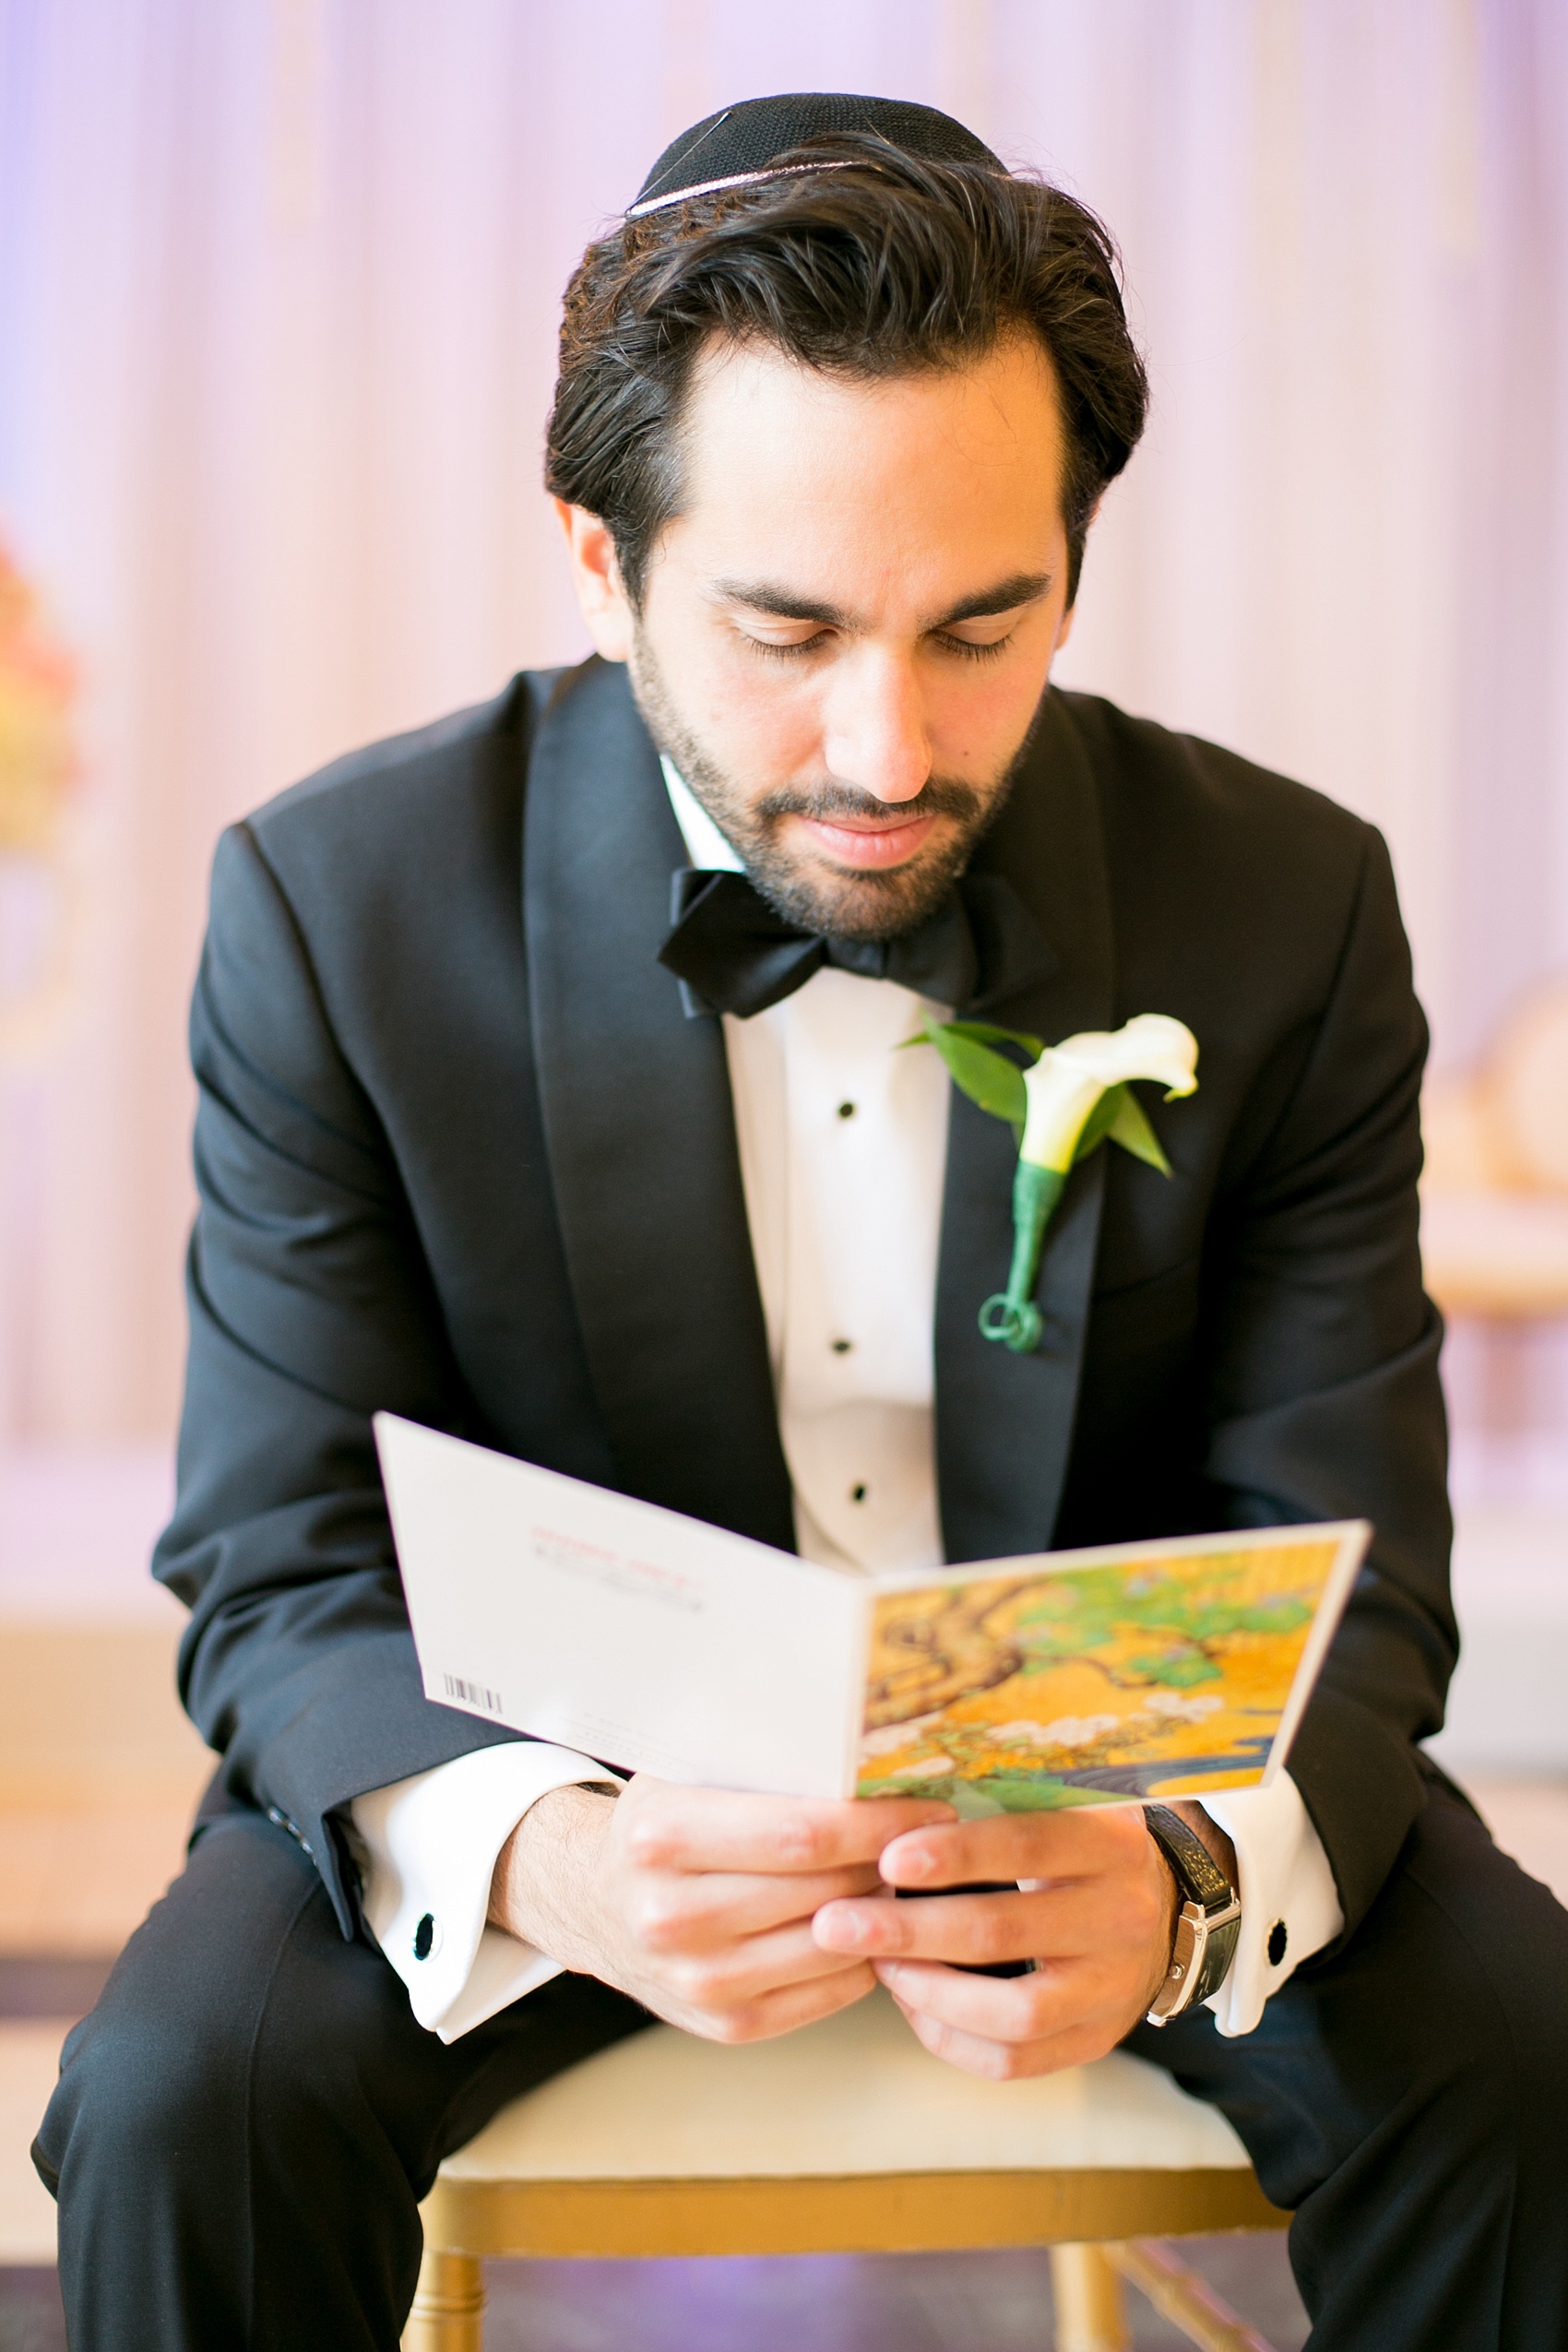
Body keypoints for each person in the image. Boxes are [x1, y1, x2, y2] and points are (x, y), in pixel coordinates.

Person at [34, 91, 1568, 2352]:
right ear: (596, 554)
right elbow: (278, 1554)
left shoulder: (1282, 903)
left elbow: (1348, 1537)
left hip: (1116, 1797)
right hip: (569, 1791)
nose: (887, 749)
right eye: (784, 627)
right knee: (185, 2086)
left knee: (1531, 2065)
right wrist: (554, 1855)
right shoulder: (340, 908)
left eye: (985, 623)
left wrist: (1170, 1874)